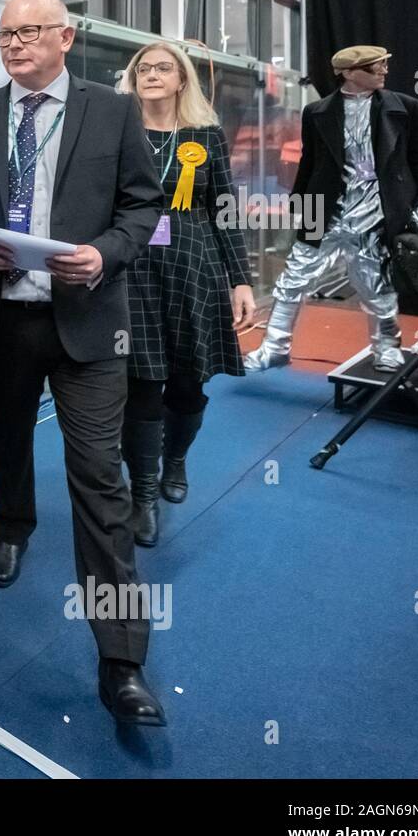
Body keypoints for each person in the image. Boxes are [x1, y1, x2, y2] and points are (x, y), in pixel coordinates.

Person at [0, 0, 167, 725]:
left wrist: (104, 254)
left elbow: (143, 206)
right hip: (2, 315)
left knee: (99, 476)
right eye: (5, 35)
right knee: (8, 433)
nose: (14, 45)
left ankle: (122, 660)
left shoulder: (113, 112)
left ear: (66, 37)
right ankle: (11, 527)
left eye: (29, 32)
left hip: (87, 323)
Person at [115, 41, 255, 546]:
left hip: (195, 266)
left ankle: (175, 460)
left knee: (188, 384)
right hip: (132, 269)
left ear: (181, 80)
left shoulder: (206, 135)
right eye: (143, 67)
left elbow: (224, 210)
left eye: (163, 67)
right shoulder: (116, 129)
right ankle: (143, 493)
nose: (152, 74)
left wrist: (241, 279)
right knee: (141, 383)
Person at [244, 45, 418, 372]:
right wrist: (300, 202)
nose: (384, 70)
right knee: (293, 278)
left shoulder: (405, 107)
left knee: (377, 284)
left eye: (384, 64)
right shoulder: (317, 111)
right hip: (326, 210)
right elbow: (310, 161)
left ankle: (387, 348)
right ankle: (274, 347)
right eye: (375, 66)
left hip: (377, 210)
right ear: (348, 72)